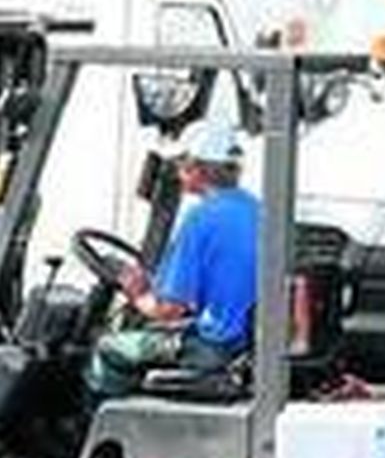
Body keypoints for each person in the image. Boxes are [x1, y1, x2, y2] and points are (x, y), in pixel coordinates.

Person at [87, 121, 260, 397]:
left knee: (109, 349)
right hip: (243, 342)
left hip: (214, 347)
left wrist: (138, 294)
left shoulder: (201, 219)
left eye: (181, 164)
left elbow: (168, 310)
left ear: (196, 169)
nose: (179, 173)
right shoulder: (256, 209)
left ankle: (92, 432)